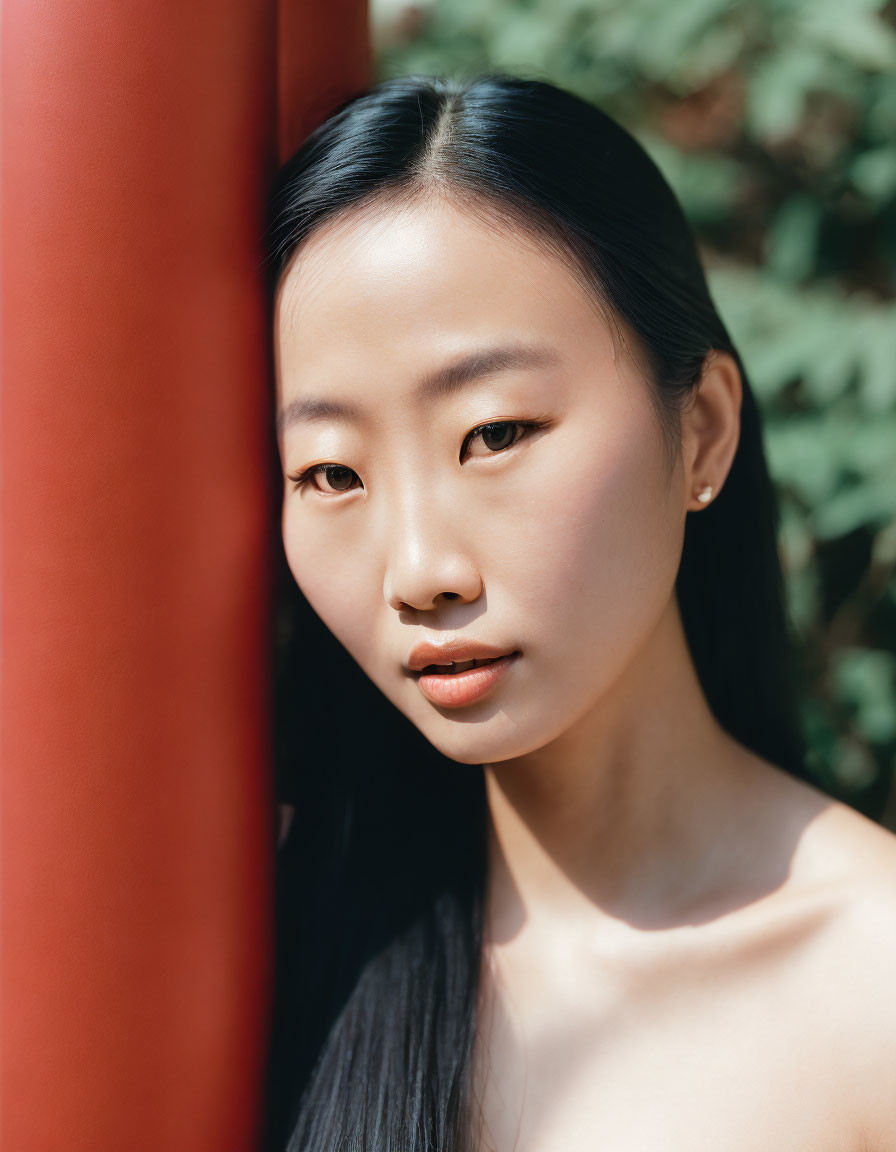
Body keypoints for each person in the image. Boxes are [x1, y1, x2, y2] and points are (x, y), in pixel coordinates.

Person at [262, 73, 896, 1152]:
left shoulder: (865, 982)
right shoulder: (268, 956)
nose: (419, 569)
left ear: (696, 430)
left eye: (494, 433)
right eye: (329, 474)